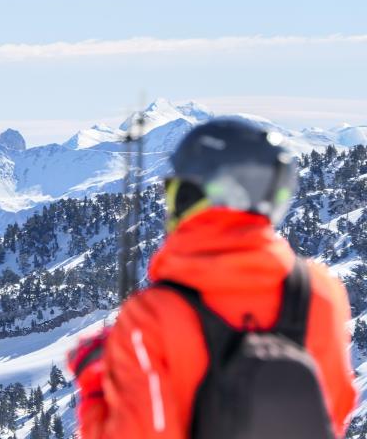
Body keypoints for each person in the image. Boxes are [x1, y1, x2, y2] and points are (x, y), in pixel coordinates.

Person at [68, 119, 357, 439]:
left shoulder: (153, 314)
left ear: (186, 197)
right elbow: (334, 411)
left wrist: (95, 379)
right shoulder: (320, 290)